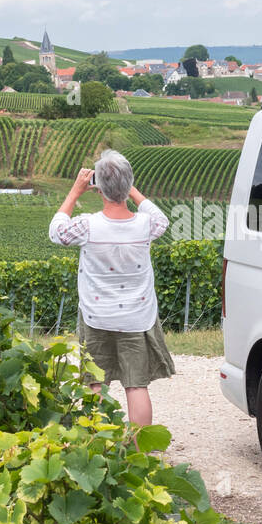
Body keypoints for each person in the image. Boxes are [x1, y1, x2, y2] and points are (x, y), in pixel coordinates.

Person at [48, 149, 175, 425]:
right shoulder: (146, 225)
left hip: (96, 316)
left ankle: (101, 444)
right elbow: (162, 219)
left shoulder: (88, 226)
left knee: (95, 382)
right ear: (128, 185)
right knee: (136, 384)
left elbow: (56, 231)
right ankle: (141, 451)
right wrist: (131, 191)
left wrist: (75, 191)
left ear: (99, 188)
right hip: (136, 318)